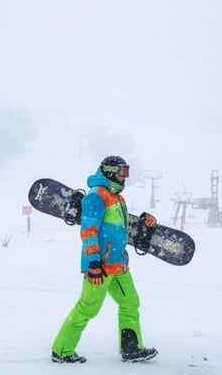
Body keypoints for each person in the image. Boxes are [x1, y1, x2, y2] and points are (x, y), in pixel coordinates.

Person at [51, 156, 159, 364]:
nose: (125, 176)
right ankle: (62, 350)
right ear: (110, 171)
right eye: (122, 171)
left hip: (119, 265)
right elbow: (88, 231)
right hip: (100, 266)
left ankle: (131, 349)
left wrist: (145, 223)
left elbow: (125, 229)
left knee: (130, 302)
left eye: (127, 171)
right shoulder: (96, 196)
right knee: (88, 307)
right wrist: (93, 263)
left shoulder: (118, 198)